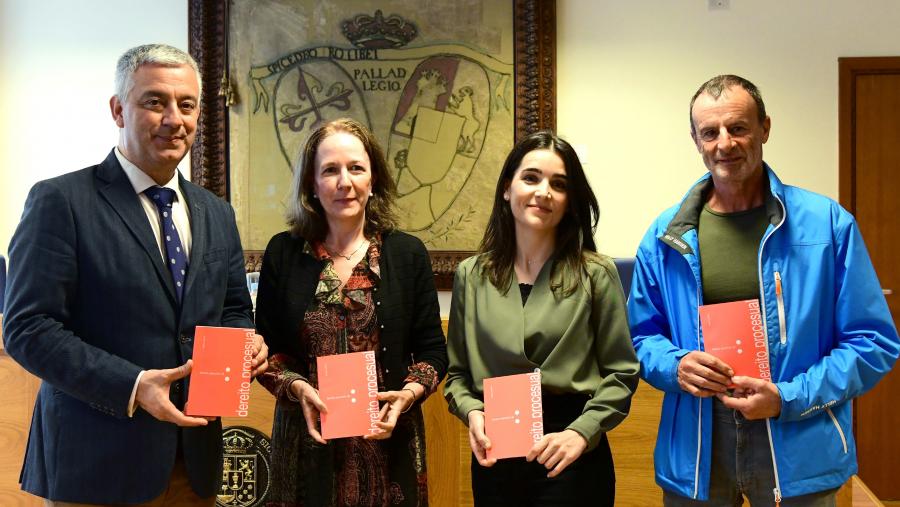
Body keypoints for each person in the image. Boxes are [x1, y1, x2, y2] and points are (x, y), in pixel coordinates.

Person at [1, 44, 268, 506]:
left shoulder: (216, 212)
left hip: (194, 464)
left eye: (187, 105)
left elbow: (232, 309)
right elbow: (28, 328)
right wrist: (133, 385)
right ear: (118, 110)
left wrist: (246, 340)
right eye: (155, 102)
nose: (174, 119)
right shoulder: (60, 201)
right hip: (95, 466)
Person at [628, 74, 900, 506]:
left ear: (765, 128)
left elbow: (873, 343)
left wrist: (787, 398)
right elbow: (640, 338)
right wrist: (675, 366)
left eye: (738, 127)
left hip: (798, 439)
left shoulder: (828, 224)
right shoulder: (665, 235)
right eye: (710, 132)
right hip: (697, 445)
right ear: (696, 141)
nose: (725, 143)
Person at [255, 118, 448, 506]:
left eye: (356, 168)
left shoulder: (407, 254)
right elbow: (267, 351)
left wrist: (407, 395)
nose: (345, 181)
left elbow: (433, 352)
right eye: (330, 170)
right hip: (305, 444)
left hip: (389, 444)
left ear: (373, 179)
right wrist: (296, 387)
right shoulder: (283, 253)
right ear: (312, 184)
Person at [443, 131, 640, 506]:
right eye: (531, 178)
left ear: (570, 201)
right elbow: (457, 375)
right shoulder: (472, 274)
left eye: (559, 184)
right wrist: (473, 413)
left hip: (572, 451)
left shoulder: (596, 274)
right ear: (507, 188)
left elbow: (622, 373)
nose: (544, 192)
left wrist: (582, 432)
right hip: (496, 451)